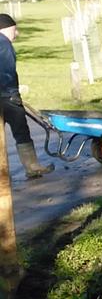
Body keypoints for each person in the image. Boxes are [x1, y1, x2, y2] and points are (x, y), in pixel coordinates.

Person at [0, 14, 52, 179]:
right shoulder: (4, 44)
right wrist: (12, 94)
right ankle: (32, 167)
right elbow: (6, 72)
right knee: (21, 131)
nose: (16, 34)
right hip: (7, 98)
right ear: (6, 28)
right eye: (15, 30)